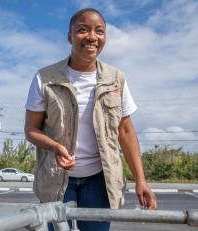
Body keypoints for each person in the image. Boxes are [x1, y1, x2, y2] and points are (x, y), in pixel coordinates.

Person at [24, 8, 157, 231]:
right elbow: (31, 129)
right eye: (82, 30)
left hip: (99, 181)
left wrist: (141, 180)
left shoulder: (116, 79)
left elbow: (125, 131)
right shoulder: (44, 78)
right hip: (57, 180)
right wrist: (56, 147)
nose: (92, 37)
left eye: (99, 31)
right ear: (69, 36)